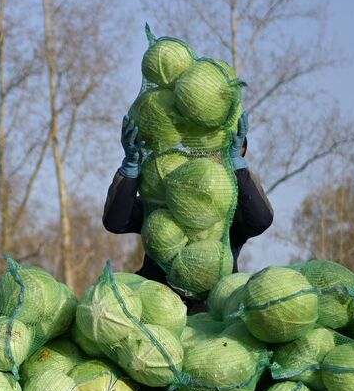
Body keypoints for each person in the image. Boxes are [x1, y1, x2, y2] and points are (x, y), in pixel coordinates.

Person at [102, 112, 275, 312]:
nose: (201, 160)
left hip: (215, 309)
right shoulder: (161, 204)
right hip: (156, 305)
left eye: (217, 154)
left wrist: (239, 168)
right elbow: (116, 221)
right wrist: (130, 169)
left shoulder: (231, 207)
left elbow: (261, 219)